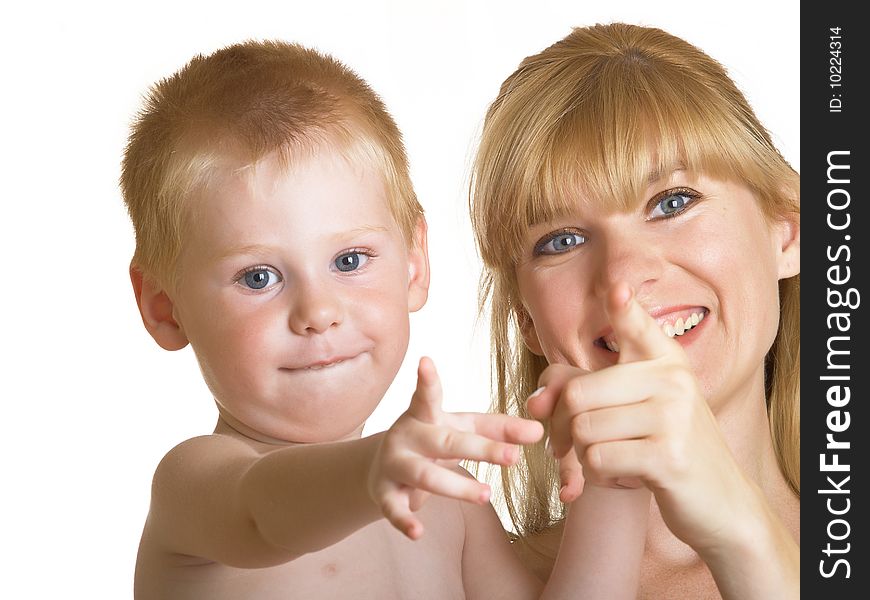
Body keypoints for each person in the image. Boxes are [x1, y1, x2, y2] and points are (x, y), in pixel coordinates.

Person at [122, 39, 646, 599]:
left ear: (415, 263)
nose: (318, 313)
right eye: (258, 278)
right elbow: (260, 513)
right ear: (164, 308)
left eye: (349, 261)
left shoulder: (448, 505)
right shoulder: (195, 484)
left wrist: (612, 480)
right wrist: (373, 472)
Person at [469, 22, 800, 599]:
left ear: (787, 231)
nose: (622, 277)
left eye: (673, 203)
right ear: (526, 320)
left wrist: (742, 534)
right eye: (562, 240)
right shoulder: (461, 581)